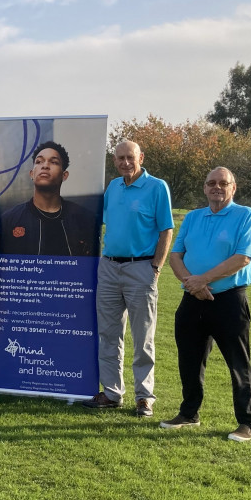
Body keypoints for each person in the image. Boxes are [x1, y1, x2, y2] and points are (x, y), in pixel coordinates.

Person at [161, 167, 251, 442]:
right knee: (189, 360)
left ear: (233, 188)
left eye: (223, 183)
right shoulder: (193, 217)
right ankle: (189, 413)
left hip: (229, 300)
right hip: (192, 299)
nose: (217, 187)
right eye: (211, 183)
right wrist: (192, 284)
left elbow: (243, 258)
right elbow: (176, 255)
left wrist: (202, 280)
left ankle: (247, 422)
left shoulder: (245, 216)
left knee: (238, 363)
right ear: (204, 188)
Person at [83, 141, 173, 416]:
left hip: (141, 268)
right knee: (109, 335)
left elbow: (166, 230)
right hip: (109, 268)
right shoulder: (113, 186)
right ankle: (112, 393)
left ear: (141, 158)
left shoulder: (157, 187)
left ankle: (144, 397)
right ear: (115, 160)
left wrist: (155, 268)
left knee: (143, 336)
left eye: (130, 157)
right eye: (120, 158)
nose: (125, 162)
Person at [0, 140, 99, 256]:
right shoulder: (9, 220)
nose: (45, 166)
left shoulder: (86, 219)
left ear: (64, 175)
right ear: (32, 174)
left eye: (54, 162)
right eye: (39, 161)